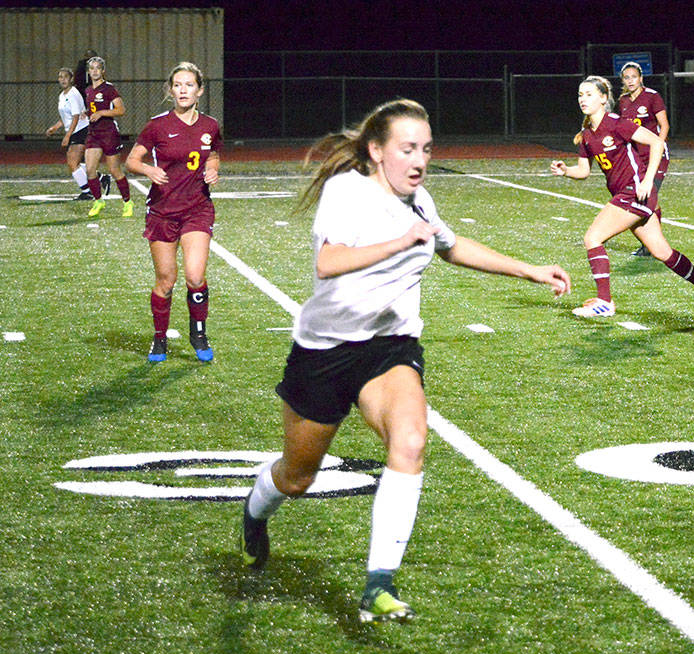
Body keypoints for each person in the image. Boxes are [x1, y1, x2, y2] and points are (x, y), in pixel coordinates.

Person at [240, 99, 572, 623]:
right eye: (407, 149)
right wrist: (399, 241)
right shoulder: (347, 192)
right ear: (376, 152)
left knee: (411, 440)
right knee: (297, 477)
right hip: (325, 351)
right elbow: (329, 263)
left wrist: (529, 270)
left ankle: (379, 582)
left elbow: (452, 247)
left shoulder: (420, 202)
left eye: (426, 149)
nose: (419, 160)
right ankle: (255, 512)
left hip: (389, 347)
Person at [550, 75, 694, 321]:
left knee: (593, 237)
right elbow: (584, 172)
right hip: (627, 195)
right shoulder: (587, 134)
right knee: (662, 252)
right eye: (580, 94)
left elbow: (656, 143)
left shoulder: (617, 123)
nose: (582, 99)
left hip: (635, 192)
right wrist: (566, 171)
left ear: (603, 98)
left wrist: (649, 180)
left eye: (588, 94)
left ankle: (604, 302)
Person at [124, 62, 222, 364]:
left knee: (195, 276)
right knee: (166, 281)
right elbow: (131, 160)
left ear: (200, 90)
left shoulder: (210, 125)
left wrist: (213, 168)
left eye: (189, 85)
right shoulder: (157, 125)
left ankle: (199, 332)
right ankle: (160, 338)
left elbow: (214, 153)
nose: (183, 90)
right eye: (178, 85)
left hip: (197, 210)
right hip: (163, 212)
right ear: (171, 90)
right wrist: (147, 169)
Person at [616, 61, 668, 258]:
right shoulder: (623, 101)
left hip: (656, 157)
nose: (630, 81)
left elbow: (664, 125)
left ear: (641, 78)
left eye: (633, 77)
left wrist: (659, 146)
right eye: (626, 77)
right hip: (637, 158)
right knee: (646, 200)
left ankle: (652, 246)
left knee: (646, 198)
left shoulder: (652, 97)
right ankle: (651, 244)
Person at [83, 56, 132, 218]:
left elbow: (121, 110)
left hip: (109, 133)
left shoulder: (109, 89)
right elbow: (92, 108)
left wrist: (102, 113)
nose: (95, 71)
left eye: (98, 68)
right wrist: (87, 113)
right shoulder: (88, 90)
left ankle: (127, 202)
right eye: (92, 68)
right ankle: (98, 201)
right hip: (93, 133)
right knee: (90, 169)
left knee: (114, 169)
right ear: (89, 72)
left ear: (103, 71)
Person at [45, 67, 93, 199]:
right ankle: (99, 178)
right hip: (75, 130)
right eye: (60, 77)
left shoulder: (73, 93)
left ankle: (87, 192)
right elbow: (65, 116)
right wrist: (55, 127)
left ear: (71, 79)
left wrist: (67, 136)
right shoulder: (62, 95)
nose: (62, 80)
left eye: (65, 77)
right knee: (77, 163)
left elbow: (76, 116)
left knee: (72, 162)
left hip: (81, 130)